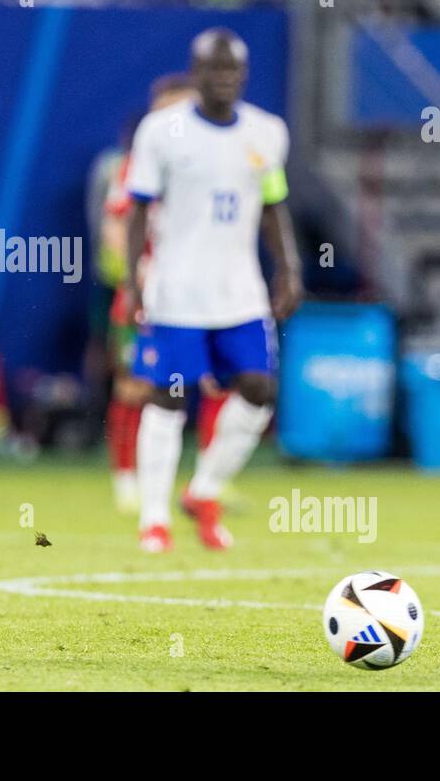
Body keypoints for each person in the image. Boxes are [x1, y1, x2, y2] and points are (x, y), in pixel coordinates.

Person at [125, 29, 302, 552]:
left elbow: (273, 206)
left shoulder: (267, 133)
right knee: (169, 398)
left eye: (233, 70)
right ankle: (153, 518)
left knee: (258, 389)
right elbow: (139, 208)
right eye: (214, 69)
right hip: (177, 289)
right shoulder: (161, 131)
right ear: (196, 73)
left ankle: (204, 490)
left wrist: (288, 269)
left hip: (240, 291)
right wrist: (135, 278)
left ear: (244, 76)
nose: (224, 79)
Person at [96, 74, 196, 512]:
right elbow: (116, 225)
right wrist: (136, 279)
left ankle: (199, 484)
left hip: (197, 294)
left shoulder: (205, 162)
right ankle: (125, 480)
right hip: (147, 293)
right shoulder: (137, 164)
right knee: (134, 387)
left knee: (198, 385)